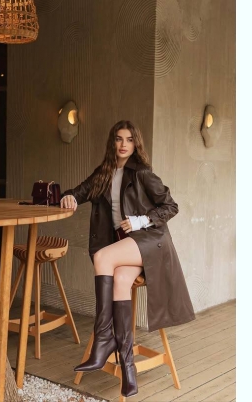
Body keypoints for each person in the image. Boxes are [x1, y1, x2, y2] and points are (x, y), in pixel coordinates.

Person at [60, 120, 195, 397]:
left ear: (136, 144)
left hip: (150, 241)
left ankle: (103, 339)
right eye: (119, 139)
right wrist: (69, 197)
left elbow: (171, 206)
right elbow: (79, 191)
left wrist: (140, 220)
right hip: (125, 246)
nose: (123, 144)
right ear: (113, 142)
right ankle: (128, 367)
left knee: (102, 257)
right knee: (121, 279)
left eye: (129, 140)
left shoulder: (141, 173)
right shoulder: (103, 173)